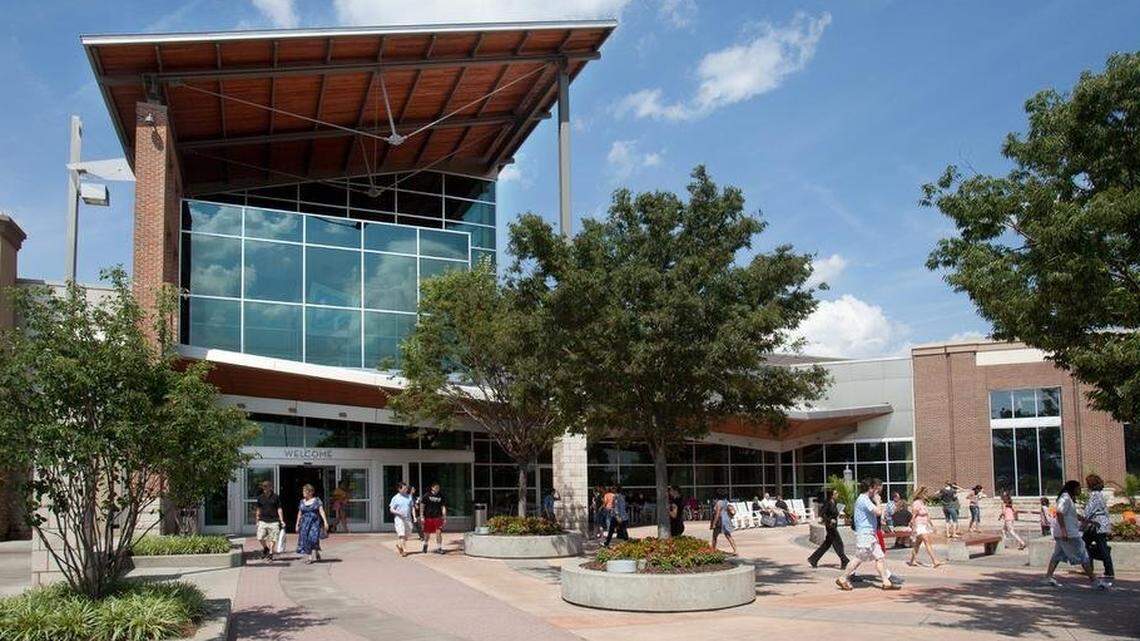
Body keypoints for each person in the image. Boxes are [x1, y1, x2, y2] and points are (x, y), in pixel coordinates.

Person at [837, 478, 900, 591]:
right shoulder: (863, 499)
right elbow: (878, 512)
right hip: (865, 534)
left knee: (880, 557)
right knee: (858, 558)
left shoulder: (865, 499)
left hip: (870, 534)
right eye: (875, 488)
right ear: (870, 488)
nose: (877, 491)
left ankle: (886, 582)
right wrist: (878, 501)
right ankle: (843, 578)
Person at [1044, 479, 1106, 589]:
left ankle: (1048, 577)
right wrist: (1064, 530)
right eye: (1078, 488)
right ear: (1073, 488)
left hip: (1064, 533)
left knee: (1057, 556)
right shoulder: (1065, 498)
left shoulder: (1068, 499)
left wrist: (1088, 521)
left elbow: (1072, 514)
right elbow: (1059, 513)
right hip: (1069, 534)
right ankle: (1095, 581)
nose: (1080, 490)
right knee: (1083, 555)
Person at [1082, 474, 1114, 586]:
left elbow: (1088, 511)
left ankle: (1090, 568)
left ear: (1090, 484)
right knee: (1101, 546)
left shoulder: (1094, 496)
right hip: (1102, 524)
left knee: (1084, 544)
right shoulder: (1100, 495)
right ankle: (1108, 570)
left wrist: (1082, 521)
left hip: (1095, 525)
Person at [808, 488, 849, 569]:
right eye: (835, 493)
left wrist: (840, 515)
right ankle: (844, 560)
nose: (837, 495)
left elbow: (834, 513)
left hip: (833, 526)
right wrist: (830, 520)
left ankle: (813, 559)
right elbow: (822, 514)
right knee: (838, 543)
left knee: (826, 544)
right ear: (831, 495)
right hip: (830, 526)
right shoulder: (828, 503)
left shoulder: (834, 502)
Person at [908, 486, 943, 568]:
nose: (926, 495)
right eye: (925, 493)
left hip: (924, 525)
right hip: (919, 525)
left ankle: (912, 560)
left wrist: (932, 526)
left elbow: (927, 516)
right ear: (921, 494)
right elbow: (913, 516)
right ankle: (935, 560)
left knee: (917, 544)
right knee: (927, 542)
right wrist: (913, 527)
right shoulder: (916, 503)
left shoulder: (922, 503)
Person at [295, 484, 329, 564]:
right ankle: (310, 557)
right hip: (304, 523)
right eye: (303, 491)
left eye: (305, 491)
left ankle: (316, 551)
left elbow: (321, 511)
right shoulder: (302, 501)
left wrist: (325, 521)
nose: (303, 493)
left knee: (313, 538)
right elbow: (299, 513)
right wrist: (297, 524)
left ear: (310, 492)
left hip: (314, 522)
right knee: (306, 539)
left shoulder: (317, 500)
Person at [253, 480, 285, 562]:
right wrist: (257, 520)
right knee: (260, 537)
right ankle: (266, 548)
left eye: (266, 487)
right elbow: (258, 510)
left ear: (270, 487)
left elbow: (279, 509)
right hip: (263, 520)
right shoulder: (260, 498)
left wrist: (281, 520)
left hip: (274, 521)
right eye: (263, 487)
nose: (265, 489)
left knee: (273, 538)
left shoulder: (275, 497)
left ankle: (270, 553)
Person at [420, 482, 448, 554]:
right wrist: (422, 516)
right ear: (432, 488)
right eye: (436, 488)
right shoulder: (427, 495)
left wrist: (444, 517)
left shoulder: (441, 496)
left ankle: (439, 548)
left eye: (438, 488)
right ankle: (425, 544)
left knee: (439, 532)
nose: (437, 489)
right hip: (428, 517)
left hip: (437, 516)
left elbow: (443, 507)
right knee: (427, 533)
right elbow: (422, 506)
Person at [389, 482, 415, 557]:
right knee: (401, 534)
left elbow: (412, 507)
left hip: (408, 518)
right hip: (399, 519)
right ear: (399, 489)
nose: (406, 489)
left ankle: (400, 545)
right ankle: (404, 550)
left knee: (407, 534)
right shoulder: (395, 498)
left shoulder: (409, 497)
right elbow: (391, 509)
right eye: (404, 488)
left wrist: (414, 517)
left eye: (406, 488)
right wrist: (398, 513)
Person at [710, 489, 738, 555]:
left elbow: (717, 514)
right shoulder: (726, 501)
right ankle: (735, 550)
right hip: (726, 519)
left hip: (720, 521)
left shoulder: (719, 503)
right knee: (728, 535)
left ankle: (713, 550)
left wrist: (714, 524)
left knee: (714, 536)